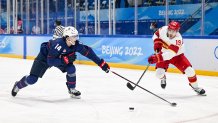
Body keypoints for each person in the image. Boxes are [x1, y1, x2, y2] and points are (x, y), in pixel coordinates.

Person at [11, 26, 110, 99]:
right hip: (45, 58)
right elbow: (50, 61)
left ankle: (71, 89)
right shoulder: (57, 44)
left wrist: (101, 63)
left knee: (71, 69)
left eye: (76, 36)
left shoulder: (76, 44)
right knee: (32, 79)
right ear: (67, 37)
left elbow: (88, 53)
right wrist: (65, 60)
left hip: (59, 58)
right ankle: (18, 85)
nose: (76, 39)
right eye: (73, 37)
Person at [147, 21, 206, 95]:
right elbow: (155, 35)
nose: (171, 33)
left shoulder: (178, 39)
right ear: (168, 28)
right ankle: (163, 78)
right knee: (158, 74)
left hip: (177, 56)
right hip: (163, 54)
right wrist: (157, 43)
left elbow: (170, 54)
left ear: (177, 31)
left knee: (190, 71)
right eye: (170, 30)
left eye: (174, 31)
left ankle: (196, 87)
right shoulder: (163, 29)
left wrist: (156, 58)